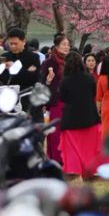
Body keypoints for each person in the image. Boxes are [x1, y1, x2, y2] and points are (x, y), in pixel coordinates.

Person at [59, 51, 101, 175]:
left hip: (71, 119)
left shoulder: (65, 81)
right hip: (89, 117)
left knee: (72, 149)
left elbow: (63, 98)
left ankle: (74, 170)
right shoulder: (89, 78)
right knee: (88, 148)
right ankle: (88, 171)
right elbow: (93, 93)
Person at [1, 28, 42, 120]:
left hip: (27, 99)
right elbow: (3, 77)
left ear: (23, 41)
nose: (12, 46)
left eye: (15, 43)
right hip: (10, 99)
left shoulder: (33, 57)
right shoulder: (5, 57)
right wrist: (26, 72)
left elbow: (34, 78)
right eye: (10, 44)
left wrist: (15, 69)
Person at [41, 34, 69, 164]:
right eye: (64, 44)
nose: (66, 47)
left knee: (68, 132)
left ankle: (68, 160)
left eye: (68, 45)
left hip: (69, 101)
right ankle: (56, 160)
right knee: (56, 133)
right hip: (55, 101)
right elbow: (42, 82)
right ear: (57, 46)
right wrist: (48, 81)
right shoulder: (49, 62)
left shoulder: (70, 61)